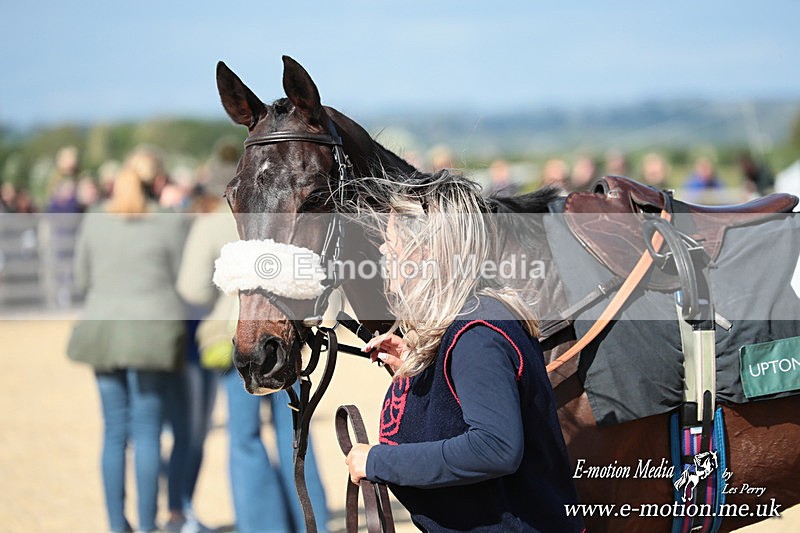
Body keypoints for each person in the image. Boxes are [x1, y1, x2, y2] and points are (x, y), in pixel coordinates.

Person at [345, 171, 584, 532]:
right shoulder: (475, 319)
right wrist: (425, 370)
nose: (382, 251)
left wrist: (379, 462)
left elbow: (494, 447)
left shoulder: (477, 336)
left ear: (425, 252)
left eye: (391, 242)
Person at [176, 139, 328, 533]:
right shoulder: (276, 216)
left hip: (237, 341)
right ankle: (311, 520)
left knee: (244, 438)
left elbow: (191, 289)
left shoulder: (210, 224)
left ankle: (265, 526)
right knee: (295, 432)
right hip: (284, 334)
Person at [67, 149, 188, 533]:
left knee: (114, 433)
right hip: (152, 335)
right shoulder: (168, 220)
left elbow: (81, 279)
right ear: (158, 181)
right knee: (147, 434)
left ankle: (117, 526)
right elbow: (182, 279)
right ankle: (148, 525)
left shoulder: (95, 218)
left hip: (103, 332)